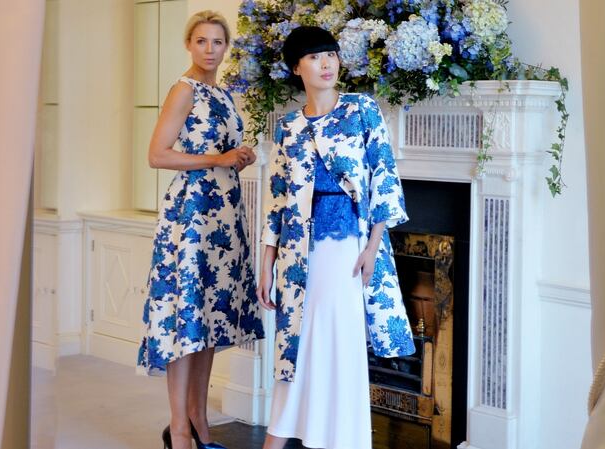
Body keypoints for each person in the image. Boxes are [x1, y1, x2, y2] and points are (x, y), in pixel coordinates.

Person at [256, 26, 416, 449]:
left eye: (331, 54)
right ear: (296, 67)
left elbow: (383, 177)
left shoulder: (362, 109)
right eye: (314, 57)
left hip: (348, 246)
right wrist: (267, 262)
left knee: (338, 341)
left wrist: (372, 247)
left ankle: (339, 438)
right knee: (298, 342)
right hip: (296, 251)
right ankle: (282, 434)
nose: (326, 63)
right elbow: (276, 197)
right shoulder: (288, 127)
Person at [136, 10, 264, 449]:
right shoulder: (183, 90)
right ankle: (180, 429)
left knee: (209, 320)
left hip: (225, 214)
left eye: (218, 42)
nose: (211, 50)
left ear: (227, 48)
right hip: (190, 218)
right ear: (189, 44)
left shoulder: (223, 93)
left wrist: (238, 155)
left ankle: (199, 421)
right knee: (186, 321)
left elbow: (218, 150)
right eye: (202, 41)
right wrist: (217, 160)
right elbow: (157, 154)